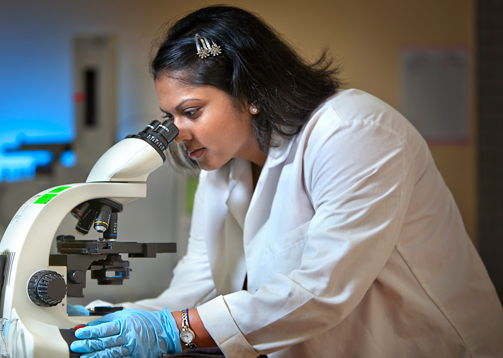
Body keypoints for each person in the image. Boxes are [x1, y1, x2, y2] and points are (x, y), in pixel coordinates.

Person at [70, 5, 503, 358]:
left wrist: (173, 330)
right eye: (170, 117)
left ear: (252, 93)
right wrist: (91, 322)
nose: (177, 132)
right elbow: (194, 287)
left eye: (192, 112)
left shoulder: (354, 131)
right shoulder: (224, 166)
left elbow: (321, 289)